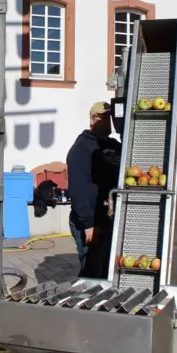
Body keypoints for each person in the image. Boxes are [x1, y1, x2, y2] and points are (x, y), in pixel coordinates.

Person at [66, 102, 122, 278]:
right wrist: (87, 223)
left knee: (107, 272)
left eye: (110, 117)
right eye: (104, 117)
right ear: (92, 119)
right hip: (92, 222)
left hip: (109, 219)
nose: (108, 121)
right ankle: (85, 304)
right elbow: (78, 187)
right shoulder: (82, 148)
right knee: (92, 274)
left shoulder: (115, 146)